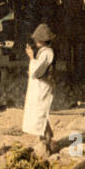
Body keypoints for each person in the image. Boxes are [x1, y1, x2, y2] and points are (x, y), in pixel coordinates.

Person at [23, 23, 56, 156]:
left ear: (42, 40)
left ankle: (46, 139)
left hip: (43, 86)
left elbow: (37, 72)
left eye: (37, 39)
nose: (35, 41)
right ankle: (46, 137)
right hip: (40, 86)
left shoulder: (47, 53)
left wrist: (31, 58)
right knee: (39, 112)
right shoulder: (44, 52)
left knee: (40, 111)